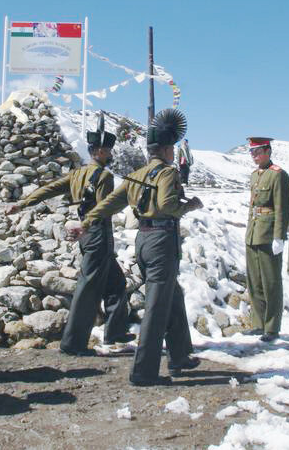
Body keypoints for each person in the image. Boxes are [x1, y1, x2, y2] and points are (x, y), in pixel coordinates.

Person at [73, 109, 203, 386]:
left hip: (142, 242)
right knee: (156, 306)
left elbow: (110, 203)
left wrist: (88, 221)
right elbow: (168, 206)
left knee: (172, 295)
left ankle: (180, 356)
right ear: (168, 149)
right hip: (162, 241)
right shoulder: (168, 173)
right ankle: (143, 372)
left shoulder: (137, 174)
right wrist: (189, 205)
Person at [7, 114, 132, 354]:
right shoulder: (104, 176)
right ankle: (73, 344)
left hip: (85, 234)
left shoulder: (77, 174)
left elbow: (48, 190)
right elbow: (104, 207)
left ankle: (115, 334)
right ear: (98, 152)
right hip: (98, 233)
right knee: (89, 289)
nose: (109, 154)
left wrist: (23, 204)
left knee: (116, 283)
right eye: (107, 151)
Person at [244, 137, 289, 342]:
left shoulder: (278, 175)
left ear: (268, 151)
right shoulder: (255, 175)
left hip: (268, 233)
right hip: (254, 233)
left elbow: (282, 208)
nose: (254, 155)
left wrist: (279, 236)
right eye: (251, 152)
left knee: (270, 282)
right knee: (254, 282)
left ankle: (271, 327)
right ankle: (258, 323)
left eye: (257, 151)